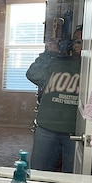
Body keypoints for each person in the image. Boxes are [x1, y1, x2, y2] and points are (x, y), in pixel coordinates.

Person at [26, 25, 83, 173]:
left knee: (73, 177)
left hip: (76, 132)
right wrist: (48, 53)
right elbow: (33, 74)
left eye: (83, 42)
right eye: (76, 41)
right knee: (38, 172)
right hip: (46, 128)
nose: (79, 45)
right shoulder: (57, 61)